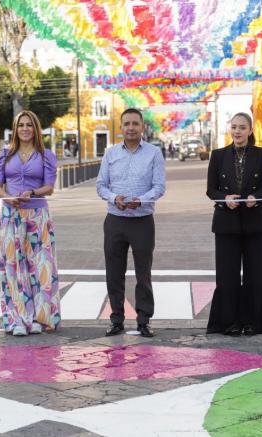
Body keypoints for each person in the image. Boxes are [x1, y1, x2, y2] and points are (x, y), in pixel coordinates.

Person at [96, 108, 166, 338]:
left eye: (135, 123)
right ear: (121, 127)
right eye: (127, 124)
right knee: (113, 273)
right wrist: (113, 198)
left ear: (142, 126)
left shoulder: (154, 153)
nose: (131, 128)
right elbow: (101, 185)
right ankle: (116, 320)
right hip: (115, 220)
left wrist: (142, 200)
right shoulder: (111, 153)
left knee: (143, 273)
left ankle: (144, 320)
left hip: (142, 221)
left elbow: (159, 187)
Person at [0, 110, 61, 336]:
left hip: (37, 217)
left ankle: (40, 318)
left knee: (40, 266)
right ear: (15, 129)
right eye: (20, 125)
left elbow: (49, 188)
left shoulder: (46, 156)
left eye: (29, 125)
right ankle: (17, 319)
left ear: (35, 129)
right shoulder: (4, 154)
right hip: (10, 216)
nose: (24, 129)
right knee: (13, 266)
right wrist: (6, 197)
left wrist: (32, 192)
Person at [205, 112, 262, 336]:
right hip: (227, 222)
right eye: (234, 127)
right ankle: (229, 322)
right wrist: (225, 200)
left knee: (257, 275)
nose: (237, 131)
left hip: (255, 222)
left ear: (250, 130)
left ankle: (254, 322)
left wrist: (257, 197)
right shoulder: (218, 155)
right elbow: (211, 189)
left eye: (242, 127)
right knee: (227, 275)